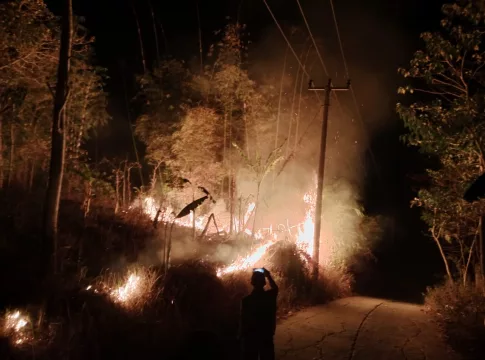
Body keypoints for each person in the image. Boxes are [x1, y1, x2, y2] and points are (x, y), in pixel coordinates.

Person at [239, 267, 278, 360]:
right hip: (266, 335)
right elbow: (275, 288)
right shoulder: (269, 296)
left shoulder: (246, 300)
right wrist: (267, 275)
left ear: (252, 282)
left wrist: (240, 336)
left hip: (251, 337)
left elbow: (243, 320)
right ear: (264, 282)